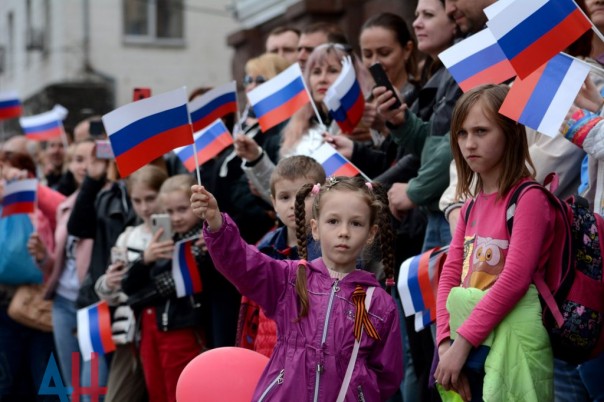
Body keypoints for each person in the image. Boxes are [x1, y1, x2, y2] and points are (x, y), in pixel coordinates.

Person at [191, 175, 403, 401]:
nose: (344, 232)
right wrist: (216, 223)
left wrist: (357, 392)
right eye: (333, 221)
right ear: (315, 228)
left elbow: (387, 376)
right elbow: (243, 264)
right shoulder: (290, 279)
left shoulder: (379, 304)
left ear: (371, 234)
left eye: (356, 223)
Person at [435, 84, 557, 401]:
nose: (469, 144)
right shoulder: (470, 205)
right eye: (462, 133)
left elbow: (515, 279)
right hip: (468, 347)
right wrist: (445, 342)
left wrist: (461, 344)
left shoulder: (529, 198)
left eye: (481, 131)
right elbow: (449, 275)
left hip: (509, 345)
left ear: (510, 133)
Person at [122, 174, 240, 402]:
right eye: (168, 211)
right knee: (158, 392)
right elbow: (127, 285)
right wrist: (145, 260)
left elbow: (168, 285)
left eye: (182, 209)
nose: (175, 217)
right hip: (154, 328)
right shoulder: (163, 240)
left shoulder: (202, 242)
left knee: (181, 392)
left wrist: (135, 299)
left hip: (186, 330)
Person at [236, 43, 373, 203]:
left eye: (332, 70)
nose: (322, 79)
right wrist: (256, 158)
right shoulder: (295, 131)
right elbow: (286, 199)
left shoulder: (370, 123)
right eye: (316, 72)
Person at [237, 155, 326, 357]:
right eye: (285, 197)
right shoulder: (265, 248)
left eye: (304, 195)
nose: (294, 204)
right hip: (269, 346)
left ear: (323, 195)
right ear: (274, 202)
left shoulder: (332, 248)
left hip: (312, 350)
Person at [94, 165, 168, 402]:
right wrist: (109, 282)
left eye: (150, 198)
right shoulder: (128, 236)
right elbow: (113, 294)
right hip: (130, 332)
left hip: (168, 327)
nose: (144, 207)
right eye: (137, 201)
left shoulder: (176, 230)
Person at [27, 139, 95, 393]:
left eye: (92, 159)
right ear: (69, 165)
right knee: (72, 386)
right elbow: (61, 262)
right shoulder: (65, 207)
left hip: (93, 307)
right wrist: (43, 256)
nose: (85, 166)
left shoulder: (107, 201)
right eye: (78, 160)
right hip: (63, 303)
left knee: (93, 388)